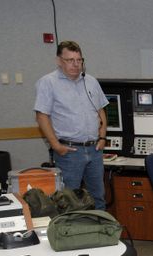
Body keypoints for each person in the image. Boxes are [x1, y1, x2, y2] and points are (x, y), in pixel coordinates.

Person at [34, 40, 108, 210]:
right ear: (59, 61)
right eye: (70, 60)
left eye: (79, 60)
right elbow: (42, 116)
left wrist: (102, 137)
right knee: (69, 201)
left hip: (95, 150)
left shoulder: (90, 81)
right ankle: (71, 234)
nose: (76, 65)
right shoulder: (48, 83)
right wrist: (56, 146)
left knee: (98, 198)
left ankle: (100, 233)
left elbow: (101, 111)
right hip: (69, 152)